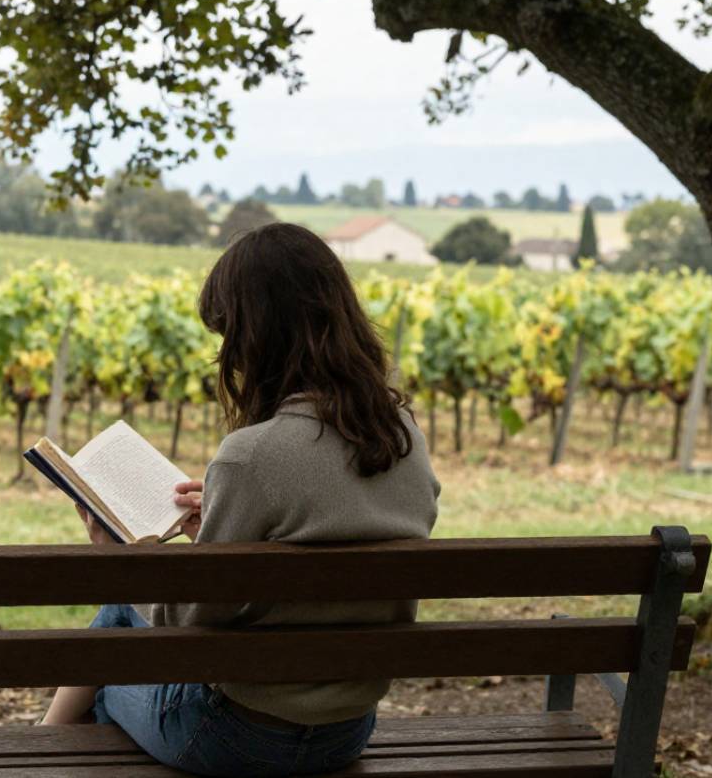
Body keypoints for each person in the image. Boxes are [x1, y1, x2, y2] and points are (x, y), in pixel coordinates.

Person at [39, 222, 440, 777]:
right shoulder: (403, 435)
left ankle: (38, 749)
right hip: (348, 732)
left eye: (229, 334)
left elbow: (186, 625)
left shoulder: (251, 456)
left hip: (236, 739)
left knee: (111, 645)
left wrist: (123, 561)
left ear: (256, 337)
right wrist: (230, 524)